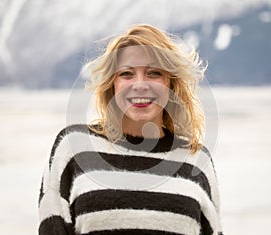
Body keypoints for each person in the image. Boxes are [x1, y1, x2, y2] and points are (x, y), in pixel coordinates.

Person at [38, 24, 223, 235]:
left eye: (154, 73)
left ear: (170, 83)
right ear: (112, 83)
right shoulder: (72, 147)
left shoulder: (197, 160)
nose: (140, 84)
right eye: (126, 74)